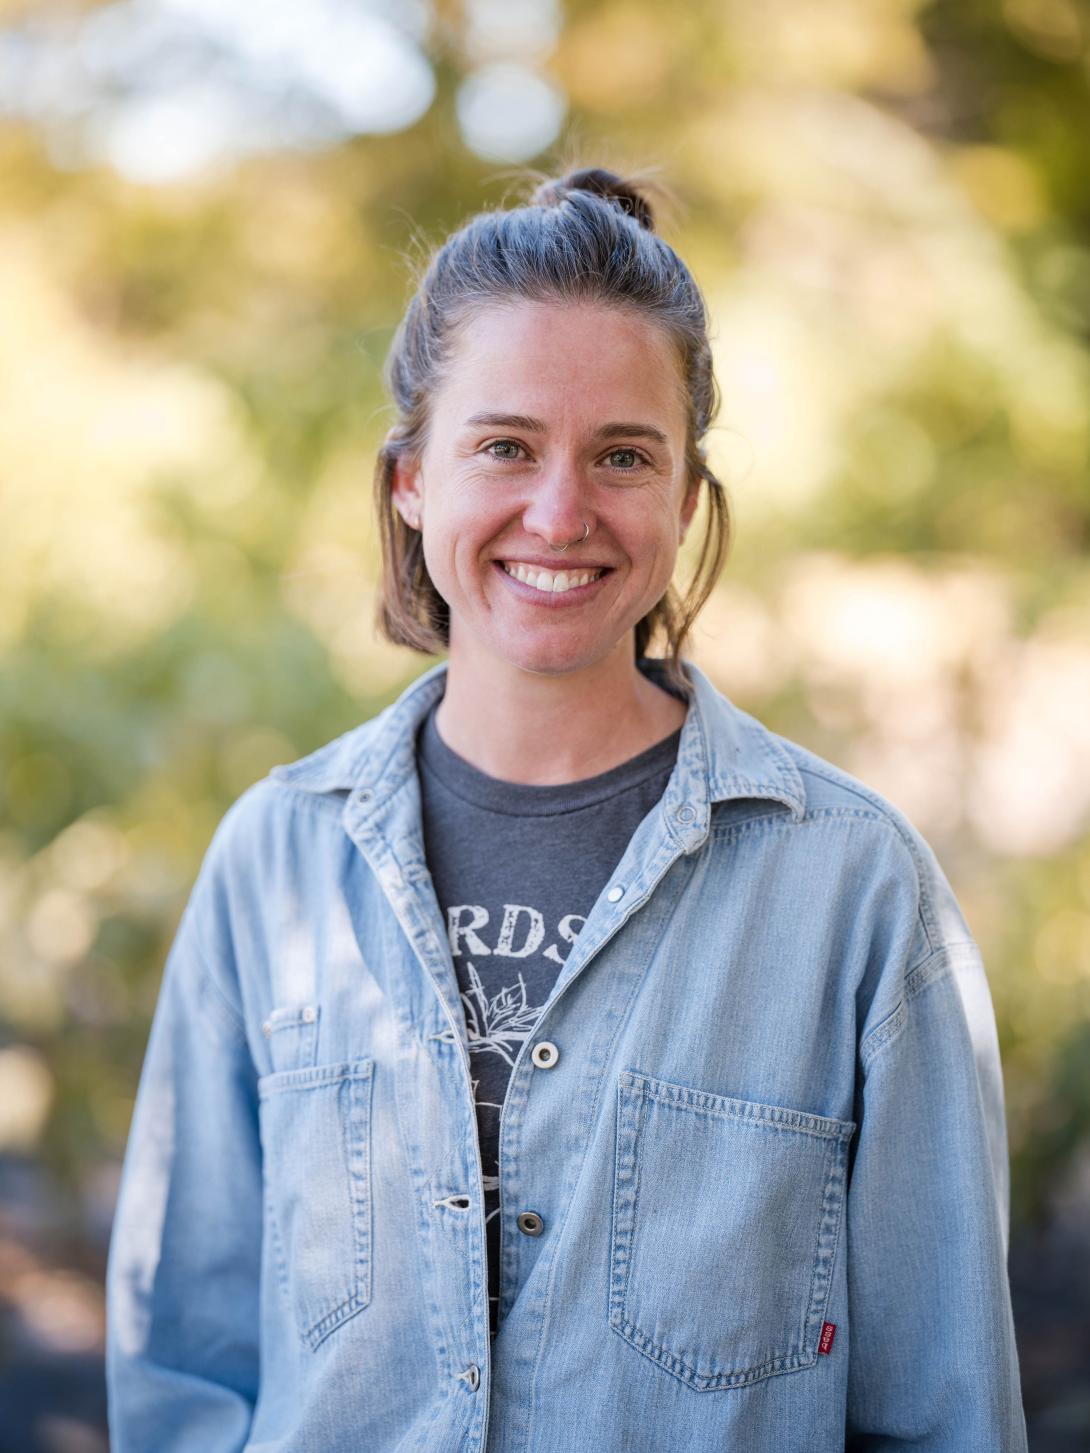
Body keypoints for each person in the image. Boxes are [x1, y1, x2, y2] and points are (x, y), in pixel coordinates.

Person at [105, 166, 1028, 1452]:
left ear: (686, 497)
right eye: (503, 445)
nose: (559, 511)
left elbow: (945, 1414)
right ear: (409, 481)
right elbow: (184, 1379)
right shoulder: (275, 860)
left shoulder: (858, 893)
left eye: (622, 455)